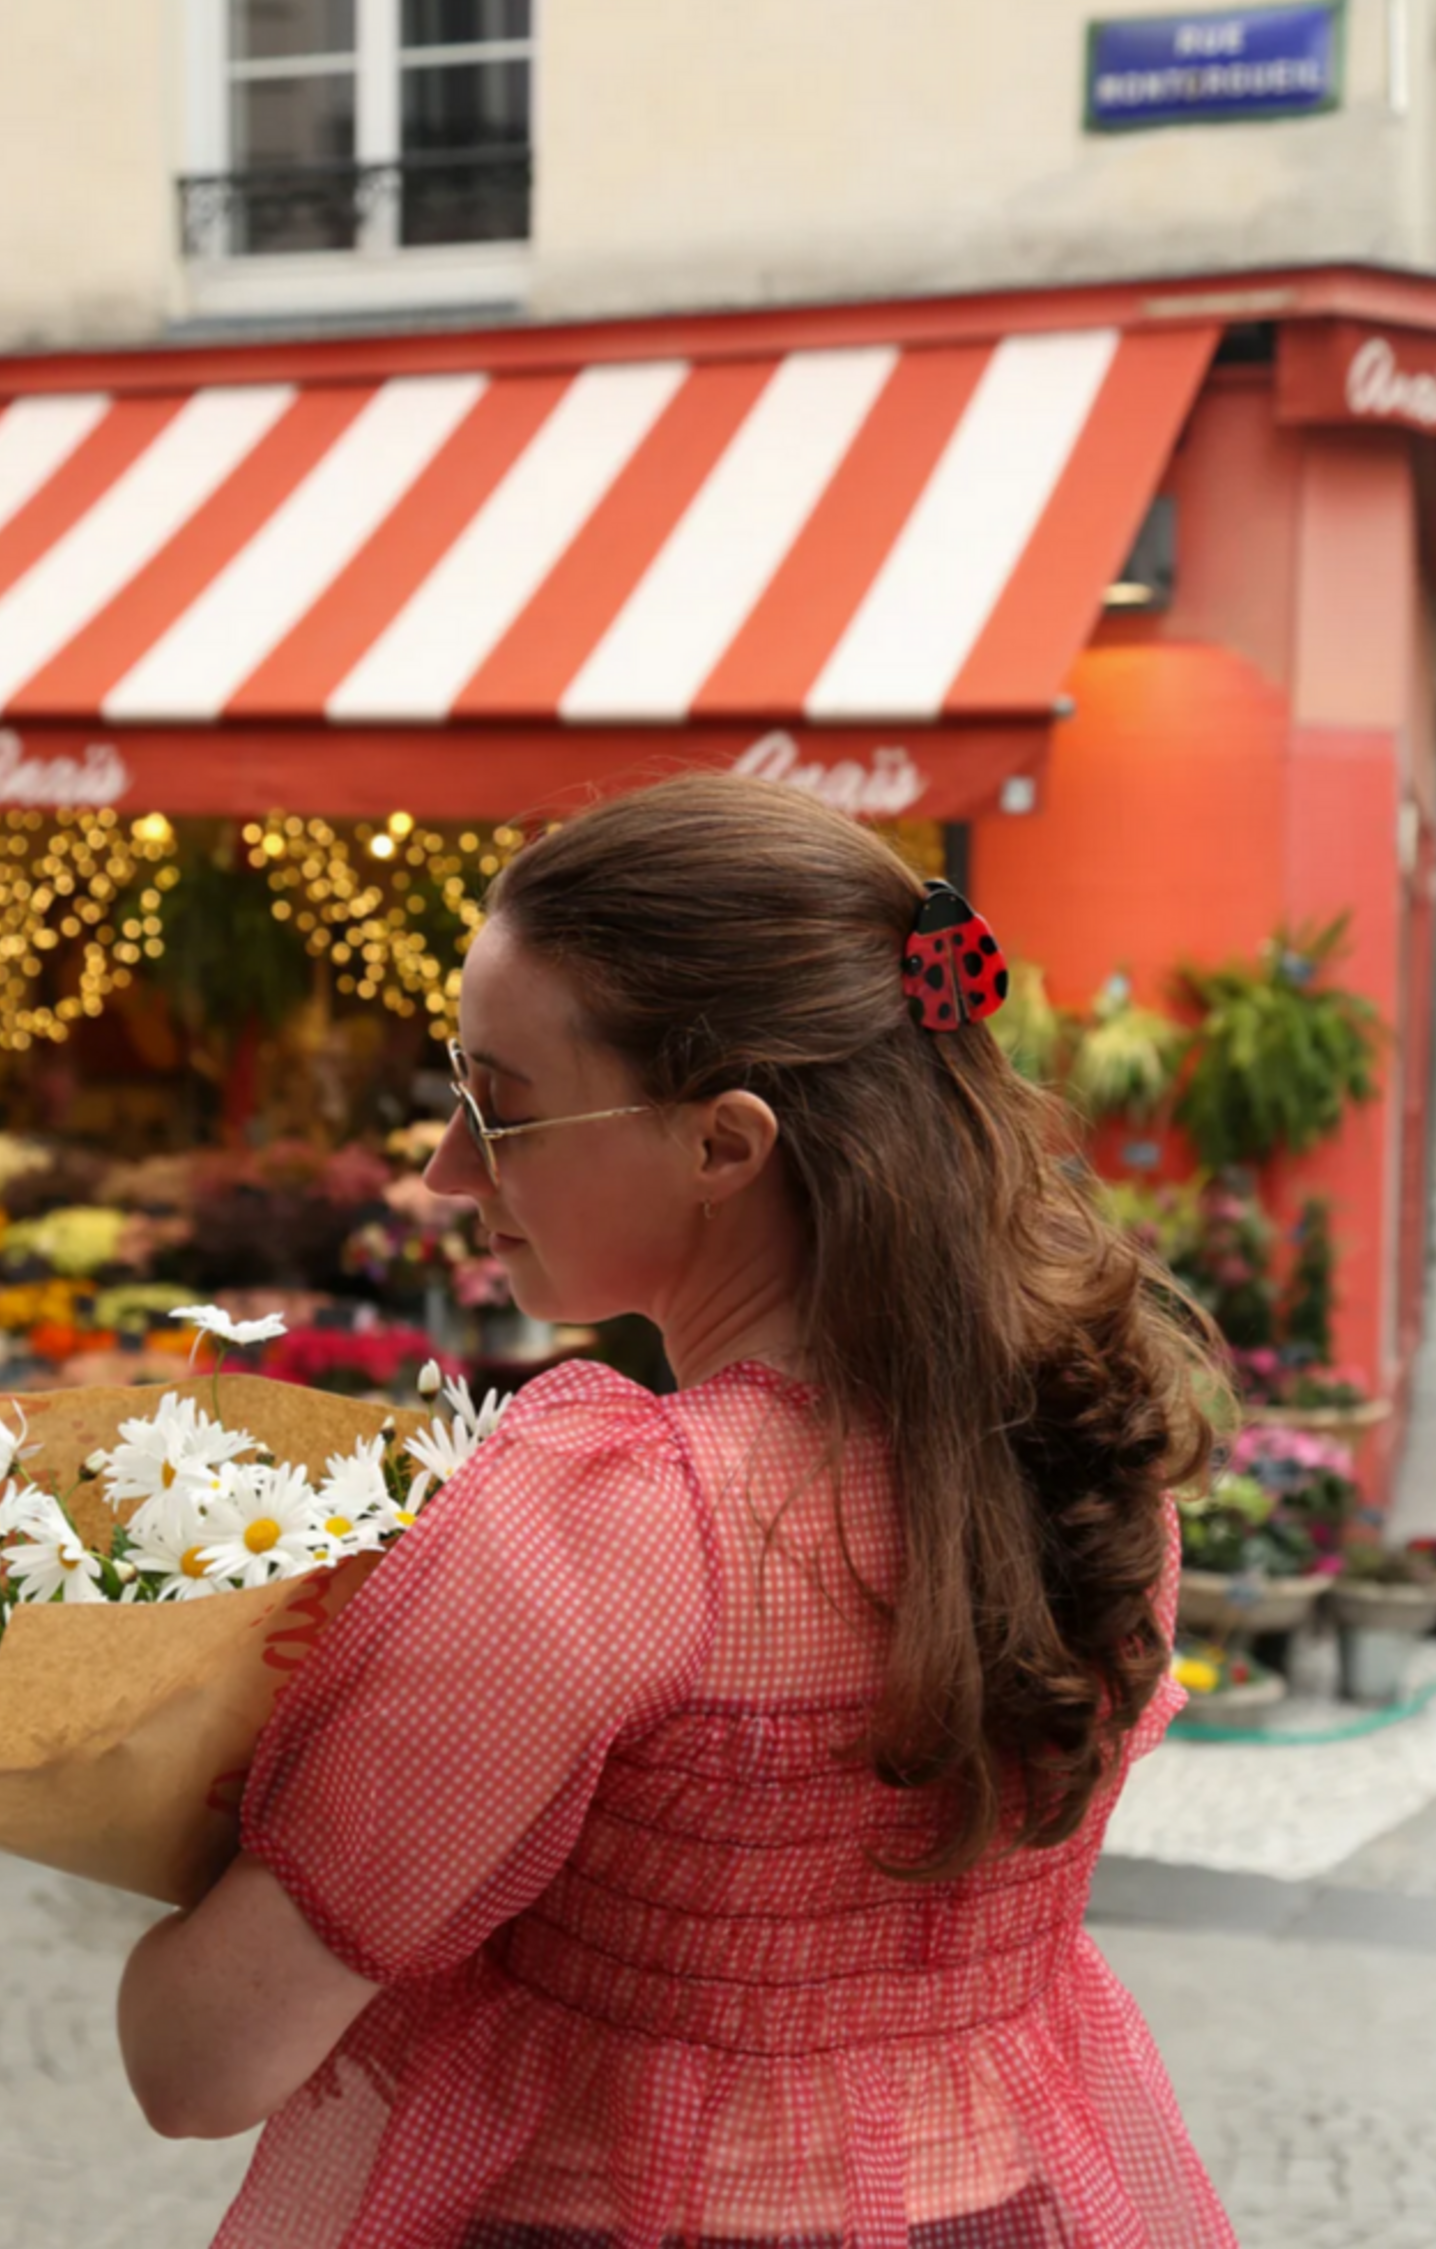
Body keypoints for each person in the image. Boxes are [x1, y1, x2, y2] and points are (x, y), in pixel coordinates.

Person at [117, 773, 1237, 2248]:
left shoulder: (620, 1525)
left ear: (724, 1144)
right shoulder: (1088, 1465)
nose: (451, 1172)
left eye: (499, 1109)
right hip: (1002, 2205)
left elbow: (202, 2063)